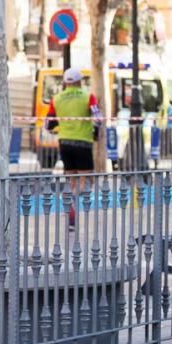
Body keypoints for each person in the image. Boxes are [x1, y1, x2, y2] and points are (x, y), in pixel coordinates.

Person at [46, 68, 100, 227]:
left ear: (65, 82)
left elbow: (48, 124)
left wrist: (60, 125)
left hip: (65, 143)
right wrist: (95, 134)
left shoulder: (56, 99)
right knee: (84, 180)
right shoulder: (88, 97)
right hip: (83, 142)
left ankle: (69, 210)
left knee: (70, 180)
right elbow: (98, 118)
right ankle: (76, 207)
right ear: (80, 81)